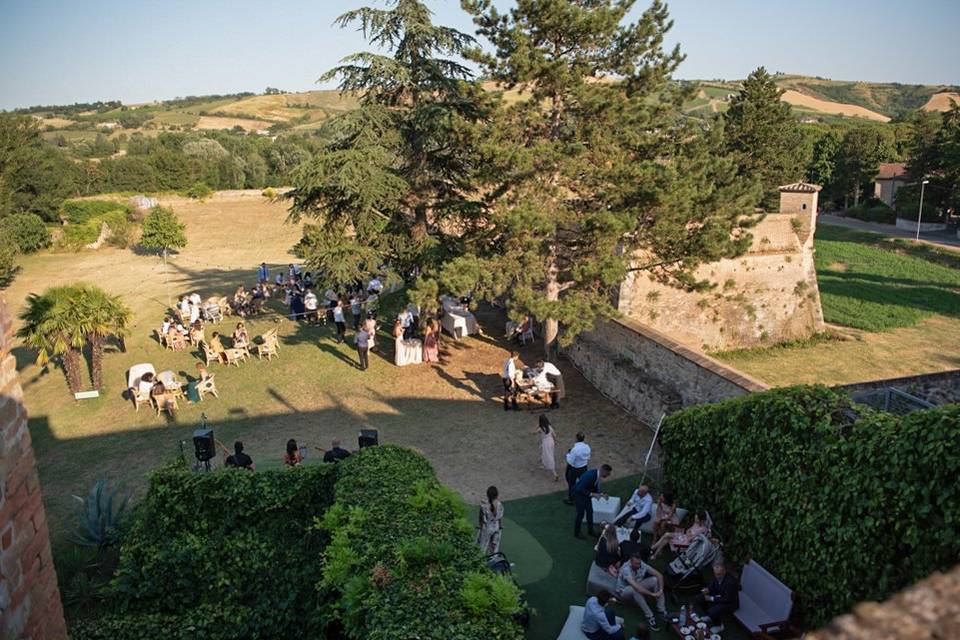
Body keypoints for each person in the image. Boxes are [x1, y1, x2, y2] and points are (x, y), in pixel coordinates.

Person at [616, 551, 668, 631]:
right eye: (636, 564)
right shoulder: (626, 569)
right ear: (631, 561)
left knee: (655, 580)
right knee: (635, 590)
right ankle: (650, 616)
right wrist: (652, 594)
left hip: (637, 585)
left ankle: (661, 610)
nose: (639, 565)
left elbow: (659, 575)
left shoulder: (641, 564)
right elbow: (636, 587)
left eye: (639, 563)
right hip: (624, 591)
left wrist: (660, 590)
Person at [696, 562, 740, 633]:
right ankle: (710, 616)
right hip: (718, 594)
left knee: (714, 610)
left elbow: (727, 599)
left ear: (724, 571)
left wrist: (711, 598)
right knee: (699, 598)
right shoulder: (716, 574)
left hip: (729, 602)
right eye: (715, 574)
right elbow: (713, 584)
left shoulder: (730, 582)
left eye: (719, 574)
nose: (717, 576)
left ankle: (719, 625)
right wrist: (708, 589)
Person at [574, 464, 612, 539]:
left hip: (586, 495)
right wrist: (592, 494)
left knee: (590, 511)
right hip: (579, 496)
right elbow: (579, 489)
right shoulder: (591, 476)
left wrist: (601, 495)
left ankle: (590, 530)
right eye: (607, 474)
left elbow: (593, 487)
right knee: (580, 514)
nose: (608, 476)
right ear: (603, 471)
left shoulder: (596, 475)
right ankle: (577, 532)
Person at [564, 432, 591, 505]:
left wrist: (567, 455)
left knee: (571, 483)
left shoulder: (575, 449)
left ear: (576, 438)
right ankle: (585, 496)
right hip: (584, 467)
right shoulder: (587, 447)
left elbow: (570, 461)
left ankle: (571, 499)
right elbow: (588, 457)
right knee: (584, 482)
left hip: (575, 469)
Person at [476, 485, 503, 555]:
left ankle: (480, 561)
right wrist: (500, 526)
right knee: (494, 547)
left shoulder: (483, 506)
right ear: (497, 495)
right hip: (496, 527)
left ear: (487, 495)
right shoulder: (500, 505)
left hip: (487, 528)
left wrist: (480, 527)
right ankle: (493, 561)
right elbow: (500, 517)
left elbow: (481, 518)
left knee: (482, 547)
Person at [532, 414, 558, 481]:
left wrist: (536, 426)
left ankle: (554, 473)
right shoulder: (550, 427)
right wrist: (555, 441)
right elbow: (554, 435)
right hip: (551, 441)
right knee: (546, 454)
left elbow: (533, 433)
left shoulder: (541, 428)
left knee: (548, 456)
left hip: (546, 443)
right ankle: (544, 464)